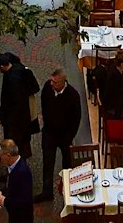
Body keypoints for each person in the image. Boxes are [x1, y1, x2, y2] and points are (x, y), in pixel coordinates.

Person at [37, 68, 83, 201]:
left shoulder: (73, 96)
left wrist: (70, 136)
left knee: (67, 165)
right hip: (49, 134)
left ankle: (67, 191)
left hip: (65, 137)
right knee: (48, 163)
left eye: (55, 82)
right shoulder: (47, 87)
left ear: (63, 82)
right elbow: (44, 106)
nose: (51, 84)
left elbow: (77, 118)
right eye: (51, 80)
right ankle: (47, 192)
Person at [0, 51, 40, 159]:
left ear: (2, 66)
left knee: (15, 143)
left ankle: (16, 160)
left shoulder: (13, 80)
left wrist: (2, 116)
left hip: (16, 120)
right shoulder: (17, 67)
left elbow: (9, 102)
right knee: (23, 140)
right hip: (23, 116)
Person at [0, 140, 33, 223]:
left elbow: (23, 201)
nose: (0, 159)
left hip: (22, 218)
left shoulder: (22, 172)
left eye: (1, 156)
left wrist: (4, 201)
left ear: (8, 155)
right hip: (14, 214)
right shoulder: (13, 166)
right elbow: (12, 187)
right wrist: (2, 192)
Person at [98, 49, 123, 122]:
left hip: (114, 101)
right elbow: (122, 94)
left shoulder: (116, 69)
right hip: (113, 107)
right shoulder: (115, 76)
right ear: (122, 65)